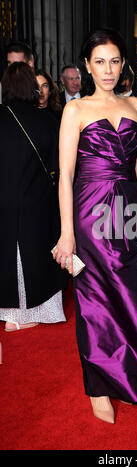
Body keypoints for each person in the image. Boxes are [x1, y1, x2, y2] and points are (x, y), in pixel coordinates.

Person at [53, 29, 137, 424]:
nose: (108, 69)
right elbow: (66, 175)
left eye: (115, 61)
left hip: (125, 211)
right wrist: (67, 232)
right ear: (86, 66)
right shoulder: (75, 110)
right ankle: (99, 384)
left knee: (132, 292)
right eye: (100, 61)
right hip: (88, 214)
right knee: (94, 299)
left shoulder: (136, 105)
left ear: (123, 65)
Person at [0, 62, 67, 332]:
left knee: (9, 257)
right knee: (37, 258)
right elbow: (57, 165)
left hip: (4, 203)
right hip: (38, 202)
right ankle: (35, 313)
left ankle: (10, 314)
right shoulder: (46, 120)